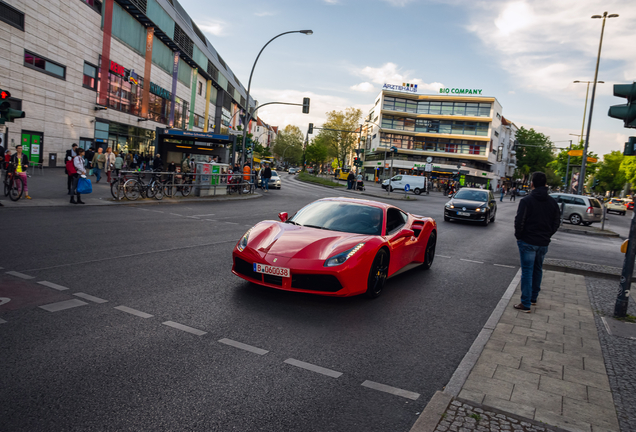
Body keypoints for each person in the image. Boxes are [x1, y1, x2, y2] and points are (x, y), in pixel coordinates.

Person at [513, 172, 560, 313]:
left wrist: (519, 236)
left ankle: (525, 303)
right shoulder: (552, 202)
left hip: (527, 241)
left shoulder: (527, 201)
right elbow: (556, 222)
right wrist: (547, 234)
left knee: (527, 271)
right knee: (538, 269)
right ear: (545, 184)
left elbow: (519, 221)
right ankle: (533, 298)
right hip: (543, 242)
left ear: (532, 183)